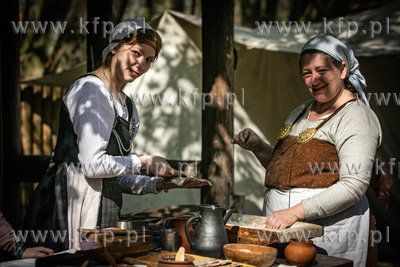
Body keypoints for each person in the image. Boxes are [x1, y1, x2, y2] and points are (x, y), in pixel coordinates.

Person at [23, 19, 209, 252]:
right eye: (137, 52)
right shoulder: (90, 89)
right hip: (70, 201)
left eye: (149, 59)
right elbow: (93, 166)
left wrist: (160, 184)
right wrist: (143, 162)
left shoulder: (128, 107)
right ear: (114, 48)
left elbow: (115, 176)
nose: (142, 63)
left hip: (104, 204)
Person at [232, 35, 387, 266]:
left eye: (321, 70)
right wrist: (258, 148)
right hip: (283, 231)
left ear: (342, 69)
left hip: (329, 233)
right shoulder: (301, 111)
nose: (314, 80)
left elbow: (353, 185)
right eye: (307, 73)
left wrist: (294, 212)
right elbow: (287, 168)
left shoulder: (355, 117)